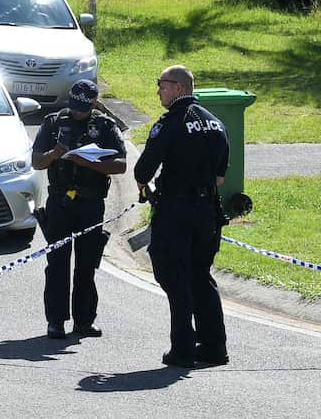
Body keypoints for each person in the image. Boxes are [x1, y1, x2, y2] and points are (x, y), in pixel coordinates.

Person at [134, 64, 230, 369]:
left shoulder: (170, 122)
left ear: (178, 88)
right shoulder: (216, 123)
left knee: (174, 277)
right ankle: (214, 348)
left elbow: (142, 171)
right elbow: (219, 178)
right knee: (201, 275)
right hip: (207, 212)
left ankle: (183, 349)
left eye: (161, 85)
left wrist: (152, 189)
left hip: (176, 212)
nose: (158, 90)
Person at [31, 79, 127, 339]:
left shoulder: (105, 126)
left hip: (91, 203)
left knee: (87, 265)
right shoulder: (53, 122)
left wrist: (88, 162)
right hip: (60, 204)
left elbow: (120, 165)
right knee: (57, 264)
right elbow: (37, 160)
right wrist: (55, 154)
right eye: (74, 107)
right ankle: (56, 321)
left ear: (94, 104)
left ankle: (84, 321)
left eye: (82, 108)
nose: (76, 112)